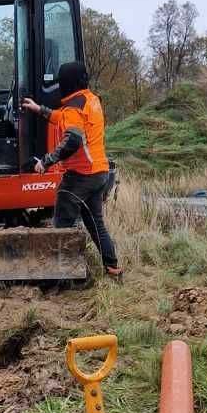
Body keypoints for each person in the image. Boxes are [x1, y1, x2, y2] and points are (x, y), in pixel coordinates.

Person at [22, 61, 121, 279]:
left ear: (65, 83)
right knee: (96, 224)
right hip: (99, 173)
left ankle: (59, 276)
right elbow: (63, 118)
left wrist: (46, 161)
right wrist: (40, 109)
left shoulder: (73, 107)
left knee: (62, 225)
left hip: (80, 176)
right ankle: (112, 267)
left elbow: (73, 139)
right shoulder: (90, 100)